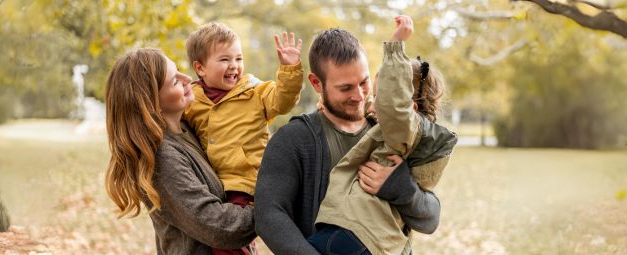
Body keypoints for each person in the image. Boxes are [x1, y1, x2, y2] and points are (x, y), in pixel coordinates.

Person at [255, 25, 442, 254]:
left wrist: (400, 187)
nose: (359, 95)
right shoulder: (294, 139)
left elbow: (430, 219)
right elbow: (269, 215)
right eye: (345, 88)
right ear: (316, 83)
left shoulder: (388, 134)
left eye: (363, 82)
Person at [310, 15, 458, 255]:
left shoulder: (403, 129)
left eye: (378, 97)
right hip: (371, 238)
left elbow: (430, 217)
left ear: (408, 109)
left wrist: (396, 46)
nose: (368, 102)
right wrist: (327, 101)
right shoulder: (405, 135)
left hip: (358, 234)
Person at [104, 48, 255, 254]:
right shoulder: (162, 159)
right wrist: (271, 207)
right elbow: (220, 227)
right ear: (152, 104)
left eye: (179, 71)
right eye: (175, 81)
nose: (188, 79)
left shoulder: (190, 128)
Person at [183, 22, 304, 254]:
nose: (234, 66)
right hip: (212, 183)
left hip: (245, 180)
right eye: (224, 59)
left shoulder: (254, 91)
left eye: (238, 58)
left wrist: (289, 70)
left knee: (228, 240)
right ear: (200, 68)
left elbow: (283, 100)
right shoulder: (193, 99)